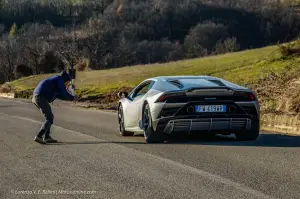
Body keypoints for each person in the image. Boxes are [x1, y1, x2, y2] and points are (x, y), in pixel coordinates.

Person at [32, 70, 77, 144]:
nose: (66, 84)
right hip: (40, 97)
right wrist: (72, 97)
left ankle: (47, 137)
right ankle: (39, 136)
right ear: (65, 79)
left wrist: (72, 98)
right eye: (67, 82)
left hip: (36, 97)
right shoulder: (59, 79)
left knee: (49, 117)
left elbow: (61, 95)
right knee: (49, 117)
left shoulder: (56, 81)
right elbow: (63, 92)